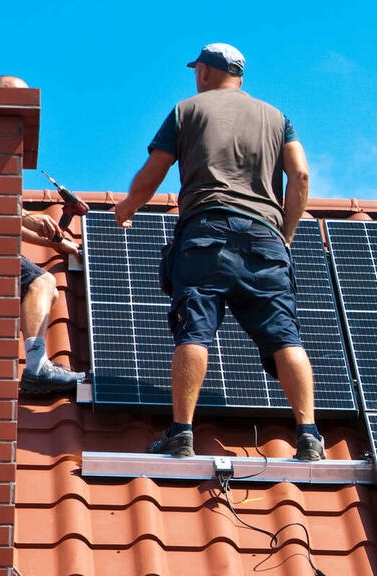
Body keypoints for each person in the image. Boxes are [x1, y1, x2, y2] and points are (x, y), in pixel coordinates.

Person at [113, 43, 322, 461]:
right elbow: (299, 173)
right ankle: (309, 436)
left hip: (206, 232)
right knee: (285, 335)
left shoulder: (186, 111)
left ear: (205, 72)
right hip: (265, 238)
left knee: (195, 329)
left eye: (197, 70)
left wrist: (126, 208)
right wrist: (287, 232)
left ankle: (181, 432)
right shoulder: (279, 118)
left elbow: (154, 172)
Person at [0, 75, 86, 394]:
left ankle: (37, 363)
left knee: (50, 291)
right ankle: (36, 368)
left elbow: (12, 220)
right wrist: (31, 217)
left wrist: (69, 245)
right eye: (15, 98)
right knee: (42, 281)